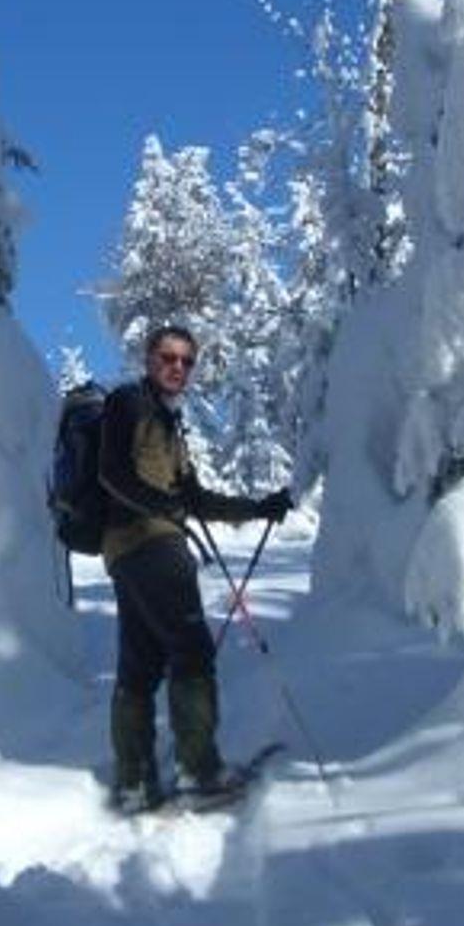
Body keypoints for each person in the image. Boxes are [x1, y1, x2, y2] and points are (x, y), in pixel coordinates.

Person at [97, 323, 291, 810]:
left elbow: (196, 499)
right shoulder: (128, 403)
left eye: (186, 361)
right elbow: (111, 472)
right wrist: (163, 505)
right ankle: (199, 773)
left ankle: (134, 782)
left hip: (128, 554)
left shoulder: (169, 425)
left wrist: (258, 508)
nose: (177, 367)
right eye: (167, 357)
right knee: (192, 651)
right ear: (148, 359)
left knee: (140, 664)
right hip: (152, 546)